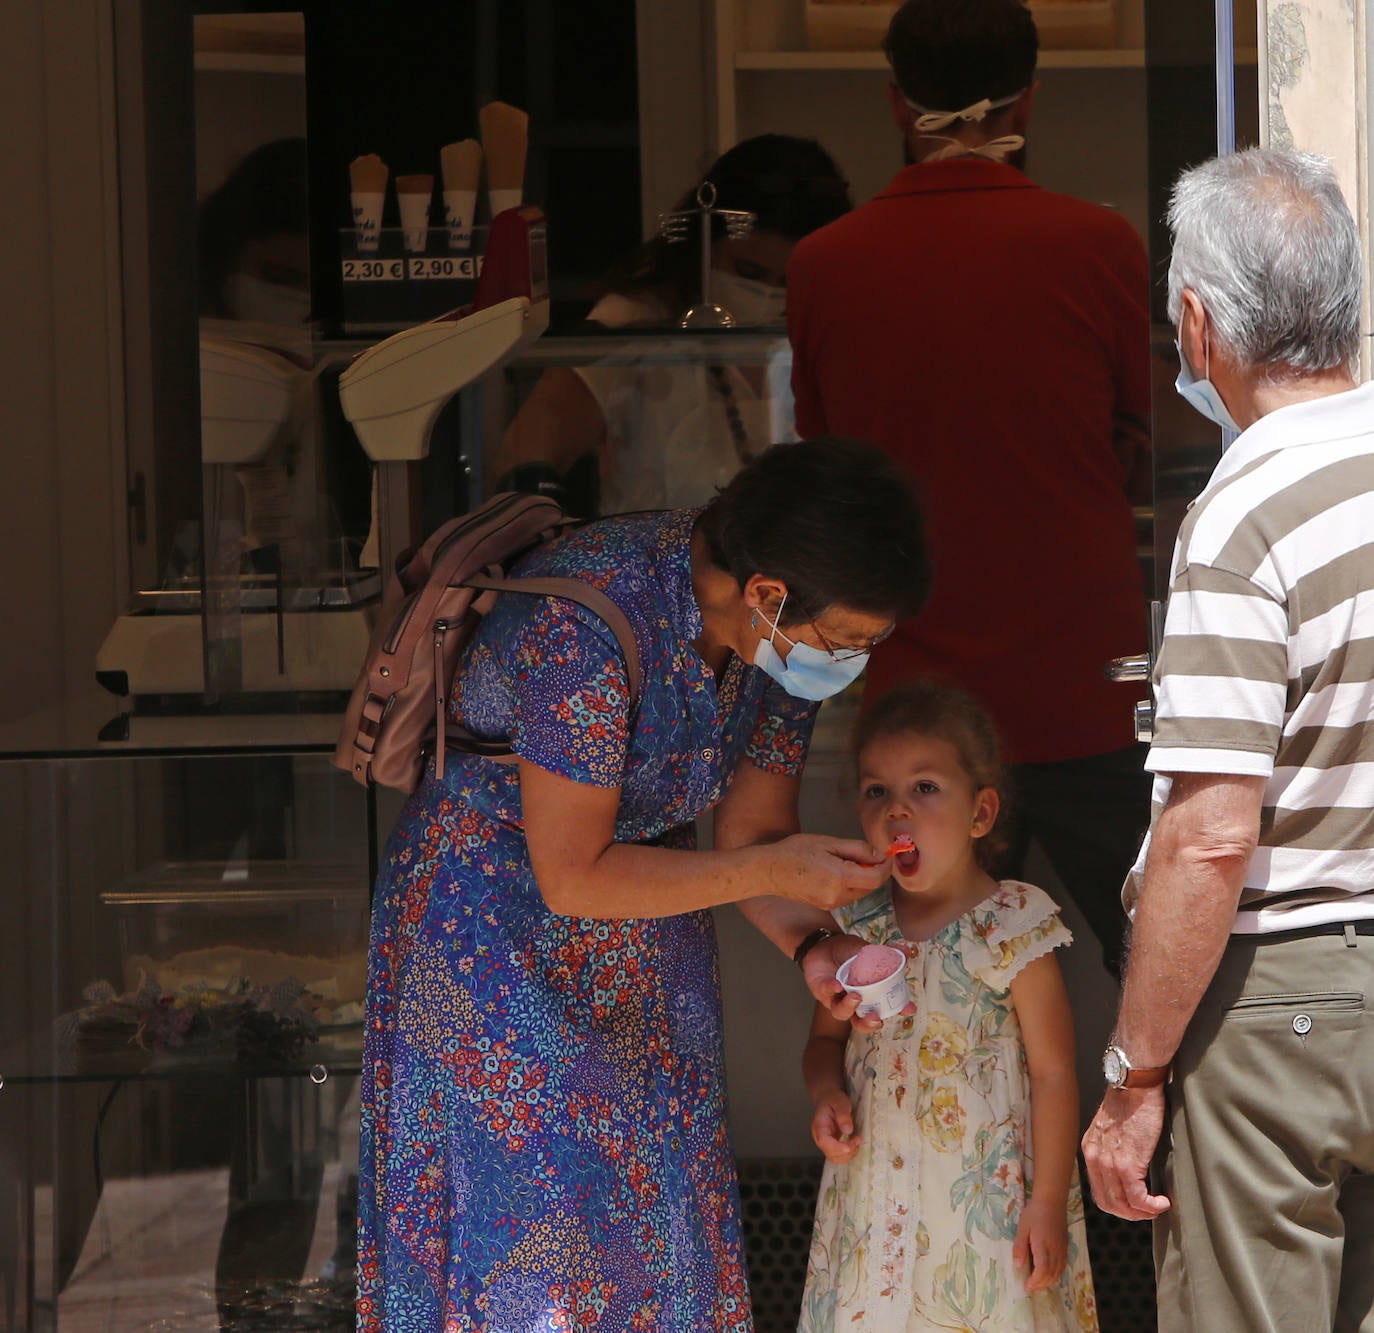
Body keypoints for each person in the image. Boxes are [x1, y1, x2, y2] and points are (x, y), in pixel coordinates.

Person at [357, 437, 931, 1331]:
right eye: (846, 642)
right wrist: (769, 868)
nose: (849, 662)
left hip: (650, 938)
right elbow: (575, 872)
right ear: (767, 593)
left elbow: (751, 834)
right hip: (489, 939)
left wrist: (813, 944)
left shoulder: (777, 644)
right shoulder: (587, 621)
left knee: (658, 1229)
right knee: (532, 1249)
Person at [786, 0, 1152, 977]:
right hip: (1085, 677)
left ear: (895, 101)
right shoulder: (1100, 245)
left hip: (918, 698)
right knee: (1156, 966)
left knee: (930, 986)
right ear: (1028, 97)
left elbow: (829, 464)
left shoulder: (824, 263)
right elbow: (1138, 433)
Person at [1080, 148, 1373, 1332]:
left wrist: (1134, 1077)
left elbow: (1208, 837)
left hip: (1280, 1011)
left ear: (1197, 326)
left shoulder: (1242, 513)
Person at [800, 680, 1096, 1331]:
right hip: (874, 1208)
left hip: (985, 1211)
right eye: (876, 791)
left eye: (925, 787)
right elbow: (824, 1043)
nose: (896, 810)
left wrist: (1047, 1200)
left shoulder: (1014, 925)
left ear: (980, 813)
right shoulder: (854, 928)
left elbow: (1053, 1073)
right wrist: (826, 1095)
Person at [490, 134, 852, 515]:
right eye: (749, 272)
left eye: (790, 281)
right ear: (703, 244)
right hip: (650, 549)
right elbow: (523, 456)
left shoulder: (828, 331)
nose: (768, 295)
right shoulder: (636, 322)